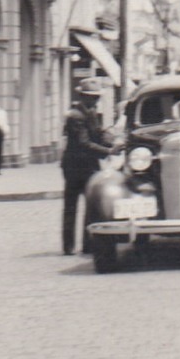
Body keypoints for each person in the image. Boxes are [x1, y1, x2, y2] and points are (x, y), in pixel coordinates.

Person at [61, 79, 116, 255]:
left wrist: (111, 138)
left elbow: (97, 133)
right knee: (72, 206)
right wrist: (108, 151)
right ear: (83, 97)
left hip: (88, 165)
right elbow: (83, 143)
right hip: (75, 166)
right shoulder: (75, 116)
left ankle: (88, 243)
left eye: (97, 97)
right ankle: (68, 245)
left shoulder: (90, 113)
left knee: (91, 205)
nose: (96, 101)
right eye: (93, 97)